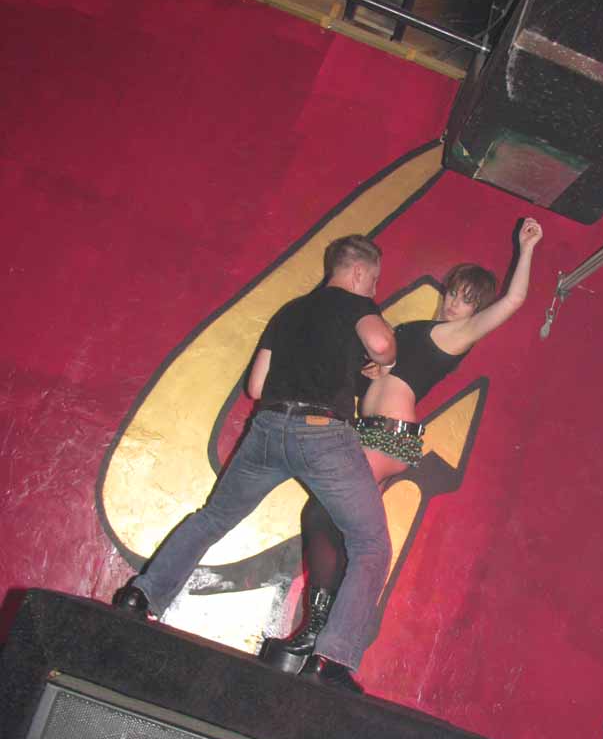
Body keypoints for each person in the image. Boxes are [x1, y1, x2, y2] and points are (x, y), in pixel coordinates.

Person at [114, 234, 397, 693]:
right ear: (359, 272)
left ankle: (140, 595)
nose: (375, 289)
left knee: (213, 517)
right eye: (375, 280)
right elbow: (382, 343)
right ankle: (331, 659)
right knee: (370, 544)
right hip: (322, 432)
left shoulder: (290, 312)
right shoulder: (354, 304)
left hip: (267, 428)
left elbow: (257, 386)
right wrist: (385, 362)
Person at [265, 217, 543, 669]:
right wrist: (370, 371)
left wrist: (526, 248)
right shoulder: (419, 329)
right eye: (452, 293)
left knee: (322, 513)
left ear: (476, 309)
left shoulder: (457, 335)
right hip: (368, 431)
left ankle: (317, 630)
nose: (453, 304)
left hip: (389, 435)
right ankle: (324, 638)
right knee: (336, 524)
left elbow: (513, 300)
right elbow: (374, 370)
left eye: (466, 300)